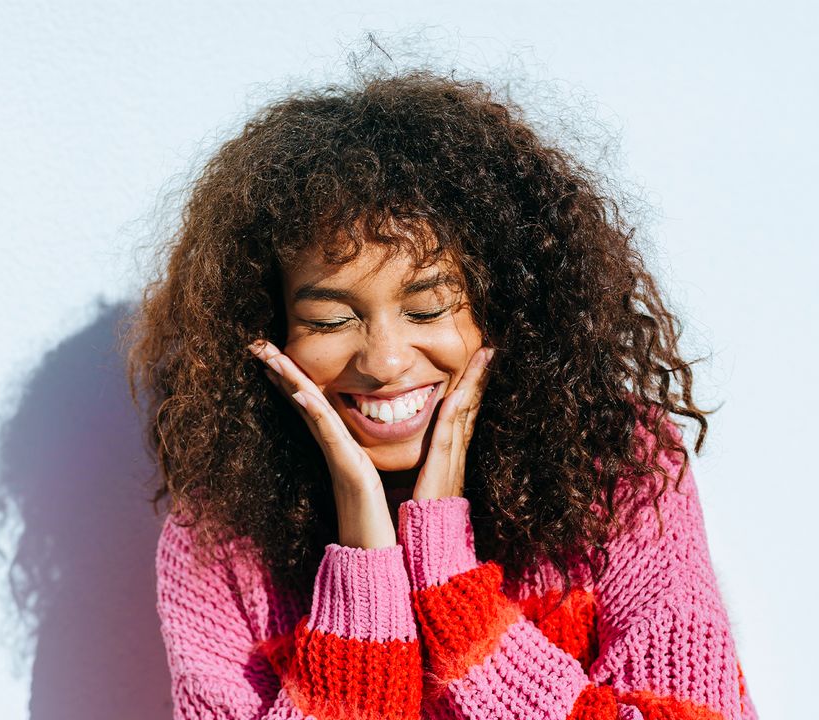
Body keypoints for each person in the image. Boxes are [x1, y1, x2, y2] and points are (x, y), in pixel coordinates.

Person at [122, 67, 759, 720]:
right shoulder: (223, 540)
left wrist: (452, 585)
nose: (385, 360)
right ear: (269, 332)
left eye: (427, 309)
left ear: (503, 305)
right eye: (331, 320)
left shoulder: (616, 465)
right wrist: (362, 575)